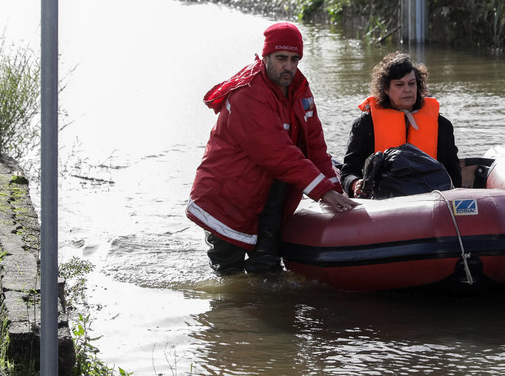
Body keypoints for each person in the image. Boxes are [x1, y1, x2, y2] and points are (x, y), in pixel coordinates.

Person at [186, 22, 358, 274]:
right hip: (226, 198)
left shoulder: (300, 90)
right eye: (281, 58)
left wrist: (335, 190)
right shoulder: (248, 95)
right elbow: (278, 153)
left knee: (267, 273)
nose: (288, 67)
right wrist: (322, 191)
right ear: (265, 56)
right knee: (230, 279)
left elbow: (315, 147)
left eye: (294, 59)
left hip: (267, 198)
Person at [340, 51, 462, 197]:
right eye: (399, 84)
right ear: (385, 89)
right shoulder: (365, 126)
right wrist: (355, 184)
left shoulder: (441, 125)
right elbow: (347, 173)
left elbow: (453, 171)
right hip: (381, 202)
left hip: (431, 201)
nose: (407, 89)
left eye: (412, 83)